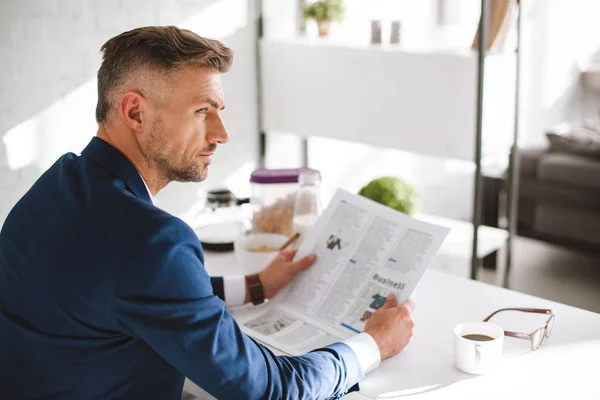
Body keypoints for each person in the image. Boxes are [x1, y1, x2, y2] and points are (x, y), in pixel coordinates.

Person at [0, 26, 415, 399]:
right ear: (135, 112)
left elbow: (129, 289)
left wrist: (256, 285)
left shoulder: (58, 185)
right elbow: (270, 390)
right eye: (202, 111)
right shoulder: (149, 241)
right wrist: (372, 346)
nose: (221, 134)